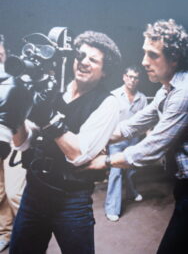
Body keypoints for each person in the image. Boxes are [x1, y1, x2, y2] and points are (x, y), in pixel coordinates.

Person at [86, 19, 188, 254]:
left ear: (174, 57)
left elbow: (152, 147)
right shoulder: (169, 87)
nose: (144, 62)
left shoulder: (186, 92)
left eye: (153, 55)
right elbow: (137, 122)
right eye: (144, 53)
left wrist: (104, 161)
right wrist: (96, 140)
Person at [9, 30, 121, 254]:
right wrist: (16, 114)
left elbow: (78, 154)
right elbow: (23, 144)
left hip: (71, 201)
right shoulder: (53, 87)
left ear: (104, 71)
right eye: (81, 56)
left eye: (93, 59)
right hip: (34, 194)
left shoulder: (108, 103)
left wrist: (48, 119)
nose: (84, 62)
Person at [104, 65, 147, 222]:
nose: (132, 80)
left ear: (139, 80)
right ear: (124, 77)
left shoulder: (142, 98)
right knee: (116, 173)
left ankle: (131, 192)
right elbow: (107, 121)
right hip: (116, 140)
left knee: (131, 171)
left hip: (134, 140)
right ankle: (112, 208)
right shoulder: (114, 96)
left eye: (135, 77)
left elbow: (144, 122)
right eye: (129, 76)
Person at [0, 35, 27, 253]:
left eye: (0, 55)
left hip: (14, 142)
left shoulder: (19, 80)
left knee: (14, 192)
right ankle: (5, 232)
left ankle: (29, 234)